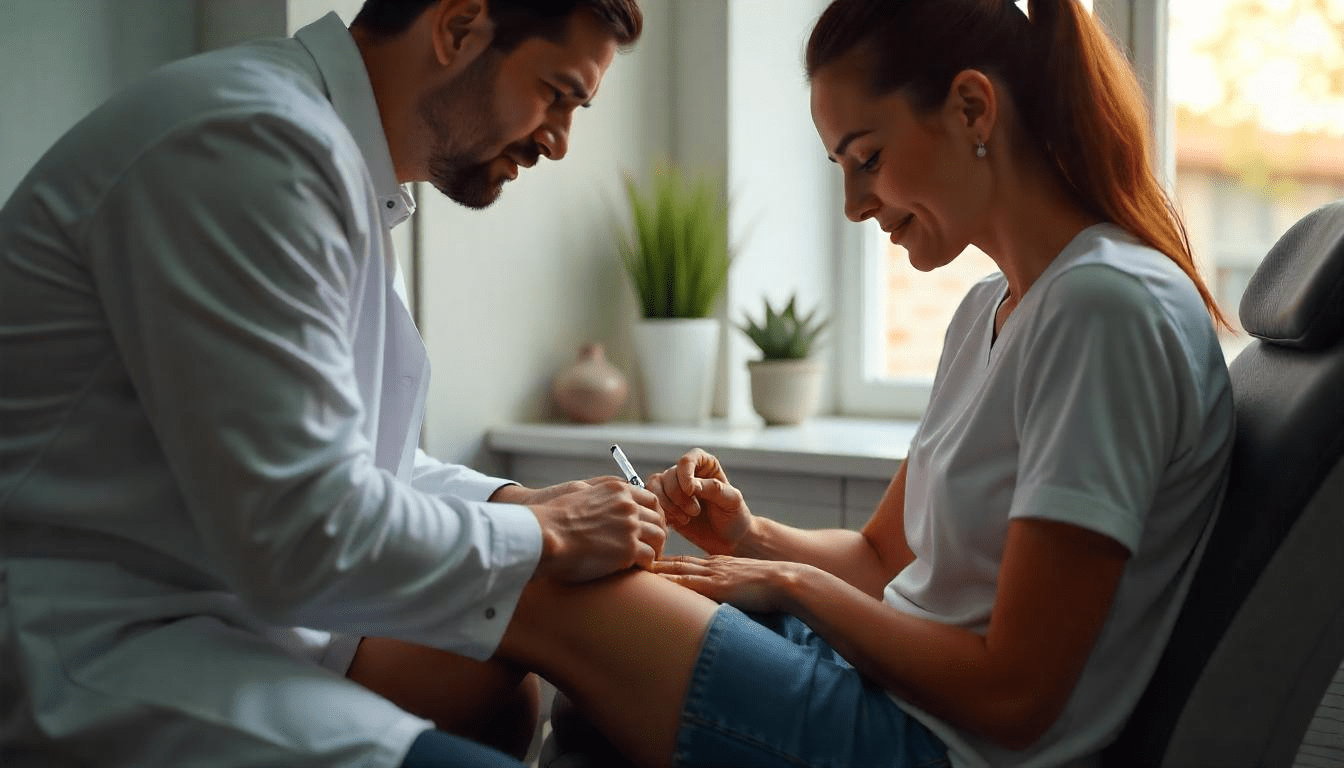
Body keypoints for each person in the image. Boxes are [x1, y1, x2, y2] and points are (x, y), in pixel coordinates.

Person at [478, 0, 1238, 766]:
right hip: (873, 684)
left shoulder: (1105, 309)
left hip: (936, 742)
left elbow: (1016, 699)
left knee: (544, 589)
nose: (852, 205)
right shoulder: (992, 310)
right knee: (590, 610)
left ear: (973, 108)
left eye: (867, 158)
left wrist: (791, 584)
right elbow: (880, 560)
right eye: (841, 169)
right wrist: (747, 537)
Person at [0, 1, 657, 766]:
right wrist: (550, 534)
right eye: (557, 92)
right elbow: (301, 530)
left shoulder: (338, 164)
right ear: (458, 26)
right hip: (97, 642)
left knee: (505, 681)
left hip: (232, 609)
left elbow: (363, 464)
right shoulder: (252, 144)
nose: (559, 140)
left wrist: (523, 504)